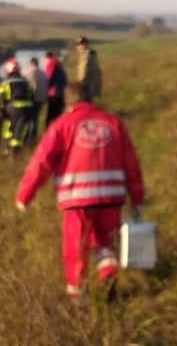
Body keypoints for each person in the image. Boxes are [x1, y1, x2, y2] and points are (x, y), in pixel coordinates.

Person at [15, 80, 144, 300]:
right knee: (105, 240)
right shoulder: (113, 122)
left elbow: (41, 162)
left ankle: (78, 295)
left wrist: (24, 195)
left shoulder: (61, 125)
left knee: (77, 245)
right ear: (91, 99)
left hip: (77, 199)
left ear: (67, 102)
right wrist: (137, 198)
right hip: (112, 196)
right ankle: (108, 270)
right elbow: (130, 161)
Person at [0, 58, 35, 153]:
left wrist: (1, 107)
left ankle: (8, 148)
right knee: (20, 131)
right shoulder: (25, 81)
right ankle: (16, 150)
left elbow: (0, 97)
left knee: (8, 127)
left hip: (11, 108)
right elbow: (31, 94)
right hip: (26, 110)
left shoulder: (5, 82)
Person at [25, 56, 48, 140]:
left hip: (31, 98)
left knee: (28, 119)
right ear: (37, 63)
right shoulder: (43, 73)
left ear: (30, 63)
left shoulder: (28, 72)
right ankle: (33, 137)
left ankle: (28, 138)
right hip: (41, 99)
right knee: (35, 118)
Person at [44, 51, 67, 127]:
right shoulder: (59, 64)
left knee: (51, 115)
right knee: (58, 115)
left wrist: (44, 91)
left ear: (47, 58)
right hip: (61, 93)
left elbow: (48, 78)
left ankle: (48, 132)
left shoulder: (51, 63)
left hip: (54, 94)